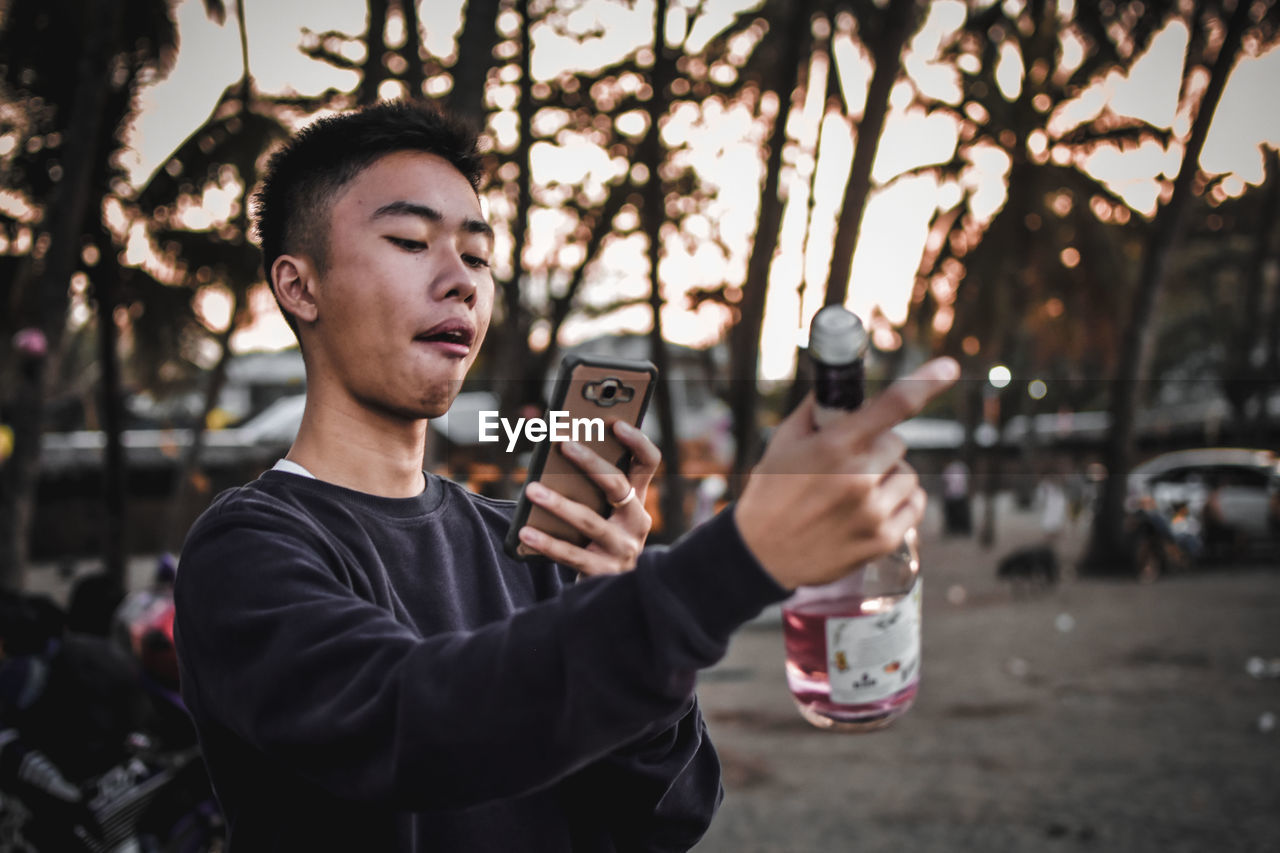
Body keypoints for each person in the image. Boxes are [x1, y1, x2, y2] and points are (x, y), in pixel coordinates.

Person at [172, 100, 959, 852]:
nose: (462, 280)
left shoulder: (528, 543)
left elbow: (671, 816)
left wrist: (612, 597)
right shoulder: (247, 552)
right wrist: (736, 559)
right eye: (412, 242)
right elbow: (413, 722)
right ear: (298, 285)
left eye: (478, 254)